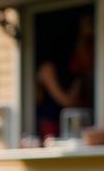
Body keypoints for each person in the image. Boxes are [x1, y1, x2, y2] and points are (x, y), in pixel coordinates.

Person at [35, 12, 94, 140]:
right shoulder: (48, 67)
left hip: (70, 126)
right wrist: (81, 78)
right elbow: (67, 102)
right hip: (51, 125)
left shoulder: (73, 66)